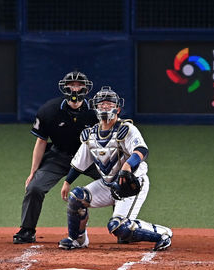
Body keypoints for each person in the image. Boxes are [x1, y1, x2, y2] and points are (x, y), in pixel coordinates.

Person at [58, 86, 173, 251]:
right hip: (108, 185)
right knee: (76, 197)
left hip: (132, 184)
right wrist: (67, 181)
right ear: (95, 107)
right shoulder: (91, 134)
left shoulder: (126, 129)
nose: (105, 107)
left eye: (109, 104)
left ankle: (162, 233)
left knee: (118, 227)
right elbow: (79, 163)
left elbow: (141, 150)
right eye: (101, 104)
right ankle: (77, 239)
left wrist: (127, 166)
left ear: (117, 108)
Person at [13, 71, 100, 244]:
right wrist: (33, 172)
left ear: (85, 88)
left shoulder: (94, 112)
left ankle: (122, 228)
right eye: (71, 85)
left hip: (89, 157)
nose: (75, 88)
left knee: (116, 182)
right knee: (35, 187)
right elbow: (41, 142)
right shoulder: (49, 110)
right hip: (59, 156)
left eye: (79, 85)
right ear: (65, 87)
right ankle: (27, 230)